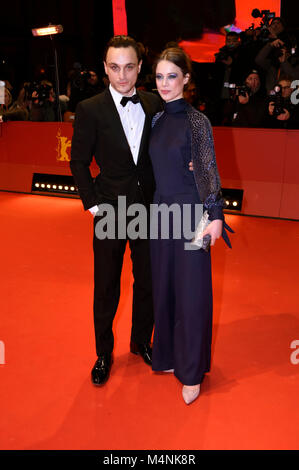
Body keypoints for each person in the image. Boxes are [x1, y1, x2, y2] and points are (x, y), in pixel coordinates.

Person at [70, 35, 162, 386]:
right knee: (106, 285)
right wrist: (93, 204)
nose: (121, 76)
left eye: (128, 67)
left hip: (150, 209)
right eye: (114, 67)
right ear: (105, 68)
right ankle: (104, 353)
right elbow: (78, 161)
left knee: (148, 281)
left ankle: (141, 342)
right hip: (109, 208)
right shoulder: (90, 108)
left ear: (140, 67)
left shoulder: (155, 104)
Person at [149, 47, 232, 405]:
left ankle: (192, 371)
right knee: (164, 288)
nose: (165, 83)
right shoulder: (156, 120)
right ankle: (166, 356)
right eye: (159, 76)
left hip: (192, 216)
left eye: (172, 76)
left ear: (186, 78)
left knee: (192, 294)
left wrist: (215, 216)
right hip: (159, 215)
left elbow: (209, 169)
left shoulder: (198, 122)